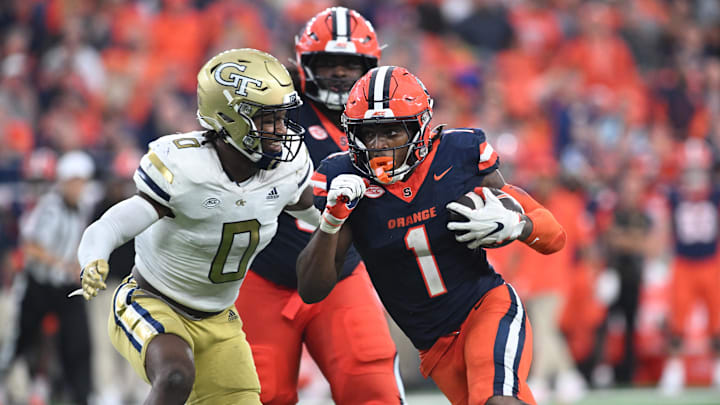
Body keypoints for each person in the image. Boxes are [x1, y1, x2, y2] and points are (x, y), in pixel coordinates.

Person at [297, 66, 567, 405]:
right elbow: (311, 289)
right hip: (434, 347)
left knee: (497, 400)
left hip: (485, 309)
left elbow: (555, 236)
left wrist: (519, 225)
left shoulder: (459, 154)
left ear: (419, 128)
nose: (378, 145)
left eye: (391, 132)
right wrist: (331, 221)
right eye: (368, 133)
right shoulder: (342, 176)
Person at [72, 48, 318, 405]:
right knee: (175, 376)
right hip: (152, 301)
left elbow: (316, 215)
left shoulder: (285, 170)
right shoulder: (186, 168)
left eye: (282, 117)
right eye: (268, 119)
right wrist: (93, 256)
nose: (280, 130)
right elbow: (112, 224)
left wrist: (342, 223)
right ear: (230, 117)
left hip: (219, 320)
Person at [234, 7, 405, 404]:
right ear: (304, 64)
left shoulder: (388, 119)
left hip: (341, 273)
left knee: (370, 382)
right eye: (328, 63)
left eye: (350, 64)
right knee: (259, 392)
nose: (340, 74)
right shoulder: (279, 105)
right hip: (263, 273)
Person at [0, 150, 96, 405]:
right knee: (21, 341)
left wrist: (78, 266)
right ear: (64, 181)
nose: (79, 187)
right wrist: (63, 264)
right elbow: (30, 246)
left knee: (79, 344)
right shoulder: (50, 208)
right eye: (75, 181)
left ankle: (82, 396)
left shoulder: (81, 208)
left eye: (82, 181)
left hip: (66, 288)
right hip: (39, 286)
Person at [659, 165, 720, 395]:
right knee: (677, 321)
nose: (694, 179)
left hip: (711, 264)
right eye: (690, 173)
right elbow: (667, 227)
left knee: (716, 321)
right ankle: (674, 371)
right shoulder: (675, 196)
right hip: (683, 264)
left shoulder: (715, 195)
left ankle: (717, 370)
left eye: (698, 172)